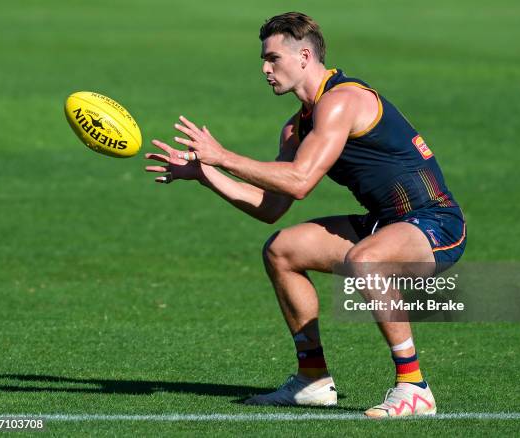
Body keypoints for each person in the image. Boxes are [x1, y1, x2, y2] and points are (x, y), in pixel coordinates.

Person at [145, 11, 466, 418]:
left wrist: (223, 155)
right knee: (282, 249)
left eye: (273, 58)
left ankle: (413, 386)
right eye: (263, 59)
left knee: (366, 261)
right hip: (385, 223)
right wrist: (205, 173)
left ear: (304, 57)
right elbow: (270, 207)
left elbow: (300, 181)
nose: (265, 68)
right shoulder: (295, 128)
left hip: (435, 222)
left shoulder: (342, 101)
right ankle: (312, 379)